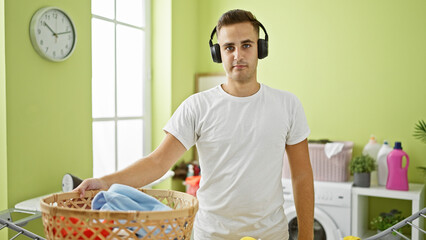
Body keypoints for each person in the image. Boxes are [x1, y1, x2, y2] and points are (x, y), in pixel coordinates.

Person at [75, 9, 314, 240]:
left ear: (260, 48)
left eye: (246, 45)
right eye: (229, 47)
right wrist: (104, 182)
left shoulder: (287, 104)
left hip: (270, 234)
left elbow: (301, 175)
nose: (238, 55)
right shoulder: (197, 106)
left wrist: (306, 235)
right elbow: (158, 162)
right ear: (218, 52)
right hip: (212, 235)